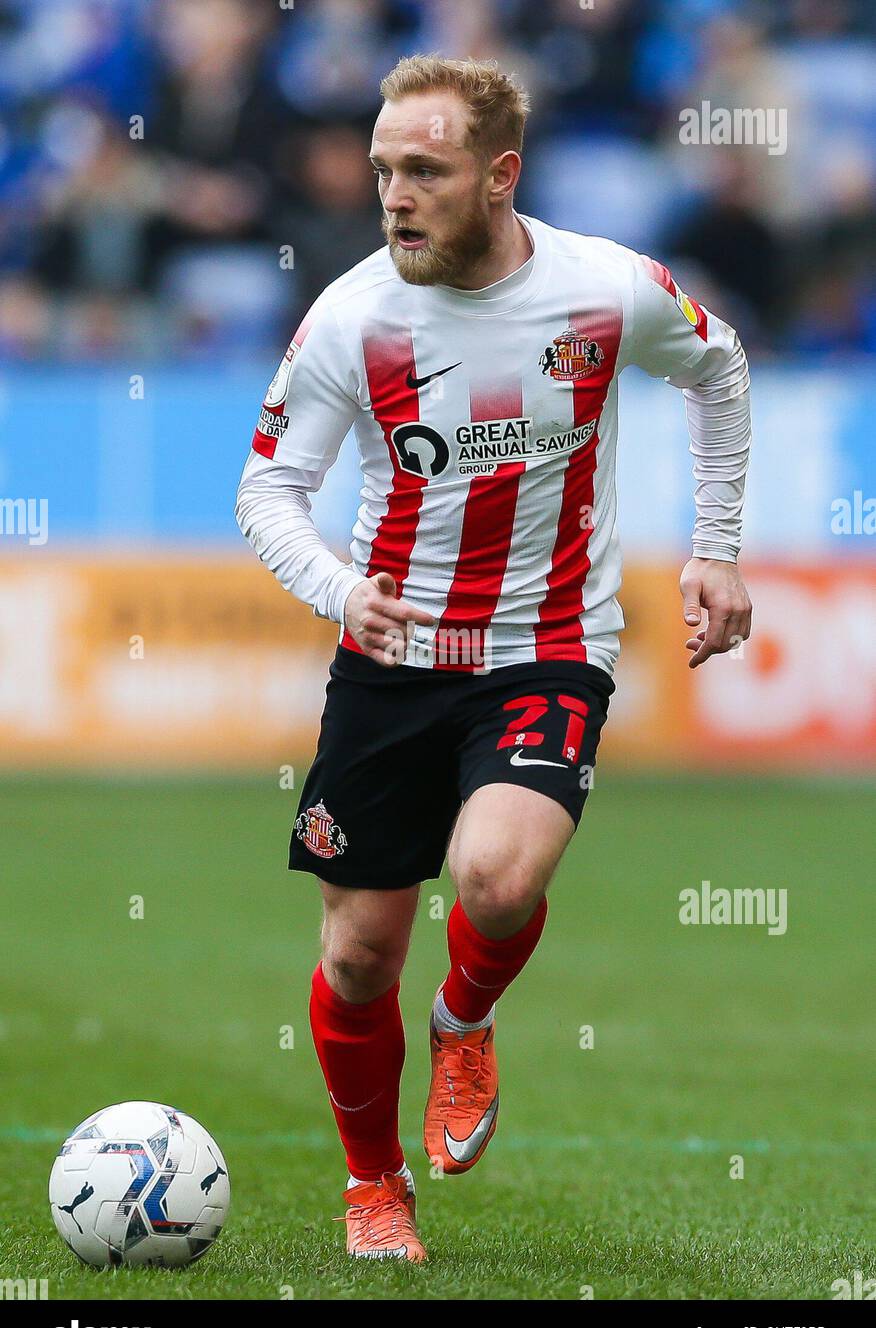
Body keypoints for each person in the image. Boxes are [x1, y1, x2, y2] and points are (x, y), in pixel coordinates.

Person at [236, 54, 752, 1263]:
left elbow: (718, 364)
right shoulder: (353, 315)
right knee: (358, 957)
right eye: (381, 171)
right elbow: (270, 487)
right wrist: (338, 588)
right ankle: (376, 1185)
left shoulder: (602, 290)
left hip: (549, 644)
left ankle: (464, 1020)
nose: (394, 196)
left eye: (424, 170)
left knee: (496, 877)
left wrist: (716, 550)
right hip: (393, 654)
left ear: (499, 174)